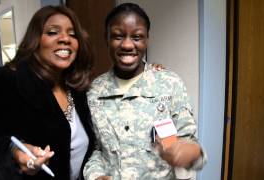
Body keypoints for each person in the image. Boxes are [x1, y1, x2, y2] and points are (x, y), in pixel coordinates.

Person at [0, 5, 96, 180]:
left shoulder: (77, 88)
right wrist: (12, 154)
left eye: (73, 34)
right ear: (35, 39)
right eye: (52, 32)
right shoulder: (2, 82)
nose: (65, 38)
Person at [83, 3, 206, 180]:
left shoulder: (169, 84)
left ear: (147, 40)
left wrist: (191, 153)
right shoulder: (94, 91)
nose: (126, 44)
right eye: (117, 36)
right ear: (106, 39)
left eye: (137, 37)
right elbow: (96, 149)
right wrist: (95, 176)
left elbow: (190, 147)